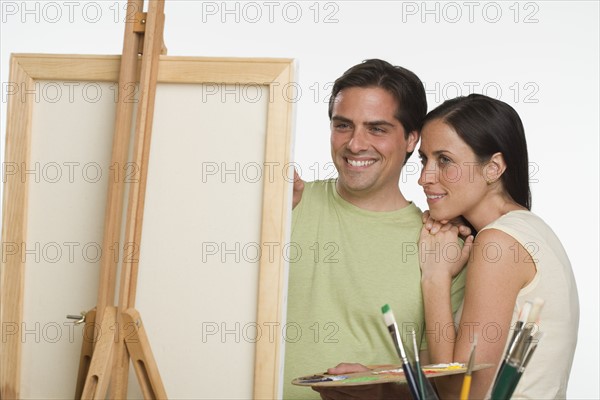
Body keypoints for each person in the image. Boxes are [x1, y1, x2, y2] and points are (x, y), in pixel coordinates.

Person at [282, 59, 467, 399]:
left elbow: (441, 387)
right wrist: (254, 214)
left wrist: (380, 389)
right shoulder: (284, 204)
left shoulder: (439, 246)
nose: (355, 144)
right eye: (343, 126)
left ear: (412, 138)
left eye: (377, 129)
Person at [418, 94, 579, 399]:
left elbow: (460, 394)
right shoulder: (530, 230)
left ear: (494, 167)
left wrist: (435, 276)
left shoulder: (499, 245)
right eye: (424, 160)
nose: (424, 177)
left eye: (445, 160)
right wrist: (377, 377)